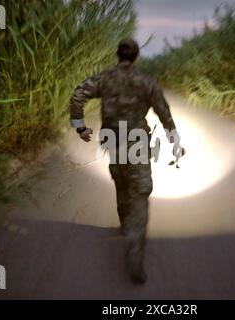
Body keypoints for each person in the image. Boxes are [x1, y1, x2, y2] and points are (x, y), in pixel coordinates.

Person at [68, 38, 183, 284]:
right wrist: (174, 140)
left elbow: (78, 96)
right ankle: (134, 243)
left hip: (112, 138)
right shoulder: (146, 81)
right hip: (137, 139)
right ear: (136, 57)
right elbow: (163, 111)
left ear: (117, 55)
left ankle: (124, 223)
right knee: (140, 189)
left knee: (121, 180)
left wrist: (80, 128)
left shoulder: (104, 78)